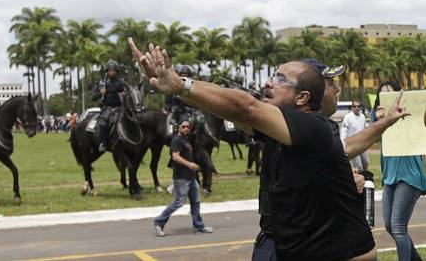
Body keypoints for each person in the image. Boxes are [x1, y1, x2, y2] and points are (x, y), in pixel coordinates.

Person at [130, 39, 377, 261]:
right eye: (272, 75)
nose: (268, 82)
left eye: (280, 79)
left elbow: (246, 107)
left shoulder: (315, 127)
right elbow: (230, 110)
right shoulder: (279, 130)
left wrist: (180, 84)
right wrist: (173, 87)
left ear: (302, 98)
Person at [373, 81, 426, 261]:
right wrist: (380, 120)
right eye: (383, 94)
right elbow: (371, 139)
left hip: (409, 174)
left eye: (391, 93)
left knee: (397, 226)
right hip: (390, 176)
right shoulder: (378, 119)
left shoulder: (411, 115)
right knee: (389, 225)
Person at [152, 119, 213, 236]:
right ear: (178, 128)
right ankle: (159, 222)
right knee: (178, 202)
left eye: (188, 127)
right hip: (181, 178)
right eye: (183, 126)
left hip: (191, 177)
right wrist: (190, 164)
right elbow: (175, 157)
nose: (186, 129)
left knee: (195, 201)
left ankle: (198, 226)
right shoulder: (176, 141)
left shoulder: (186, 140)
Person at [91, 60, 129, 152]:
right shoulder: (101, 83)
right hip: (108, 108)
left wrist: (123, 94)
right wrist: (100, 92)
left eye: (114, 70)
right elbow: (93, 97)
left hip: (120, 108)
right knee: (103, 123)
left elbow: (129, 92)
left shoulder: (121, 82)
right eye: (110, 70)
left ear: (117, 71)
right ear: (107, 71)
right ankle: (103, 143)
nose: (112, 72)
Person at [341, 99, 369, 171]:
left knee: (366, 162)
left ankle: (364, 176)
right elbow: (344, 131)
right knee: (358, 165)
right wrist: (343, 145)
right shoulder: (348, 117)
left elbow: (365, 128)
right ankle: (361, 178)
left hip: (362, 143)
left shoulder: (362, 117)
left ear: (360, 107)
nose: (357, 108)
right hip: (353, 144)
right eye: (354, 106)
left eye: (358, 106)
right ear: (352, 107)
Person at [165, 65, 194, 133]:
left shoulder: (192, 86)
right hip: (176, 107)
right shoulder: (174, 84)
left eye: (186, 74)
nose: (185, 76)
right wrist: (168, 106)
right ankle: (172, 131)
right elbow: (169, 98)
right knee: (177, 115)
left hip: (188, 109)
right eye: (183, 74)